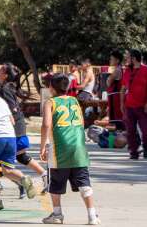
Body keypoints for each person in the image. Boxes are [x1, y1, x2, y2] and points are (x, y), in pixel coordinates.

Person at [40, 73, 100, 225]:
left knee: (55, 183)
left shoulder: (50, 102)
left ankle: (57, 214)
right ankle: (92, 216)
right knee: (84, 182)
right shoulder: (74, 100)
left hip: (61, 148)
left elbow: (46, 124)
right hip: (79, 147)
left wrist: (42, 146)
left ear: (51, 87)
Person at [0, 76, 36, 211]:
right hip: (10, 137)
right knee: (8, 170)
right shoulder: (2, 101)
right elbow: (12, 121)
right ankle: (23, 178)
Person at [0, 63, 47, 198]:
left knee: (3, 160)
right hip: (14, 127)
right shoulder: (6, 87)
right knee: (19, 157)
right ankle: (40, 177)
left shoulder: (5, 88)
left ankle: (24, 181)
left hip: (14, 129)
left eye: (0, 69)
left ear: (5, 75)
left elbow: (12, 109)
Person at [121, 49, 147, 159]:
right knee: (130, 130)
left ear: (134, 58)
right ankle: (134, 151)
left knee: (146, 130)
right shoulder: (127, 71)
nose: (127, 60)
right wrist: (122, 103)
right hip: (129, 105)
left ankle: (146, 148)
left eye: (129, 57)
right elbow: (123, 88)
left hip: (142, 106)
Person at [106, 50, 125, 130]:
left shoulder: (117, 70)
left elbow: (108, 82)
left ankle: (119, 137)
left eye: (112, 59)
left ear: (117, 60)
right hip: (114, 96)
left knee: (117, 120)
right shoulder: (119, 69)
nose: (110, 60)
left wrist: (108, 78)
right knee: (116, 119)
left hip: (116, 97)